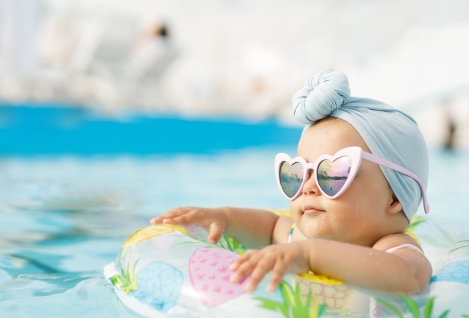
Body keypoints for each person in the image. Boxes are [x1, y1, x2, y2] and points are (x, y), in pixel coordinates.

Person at [151, 69, 432, 295]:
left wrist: (310, 255)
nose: (307, 187)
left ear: (394, 197)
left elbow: (410, 277)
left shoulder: (392, 247)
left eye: (331, 174)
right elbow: (271, 226)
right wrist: (223, 216)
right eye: (297, 173)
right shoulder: (299, 236)